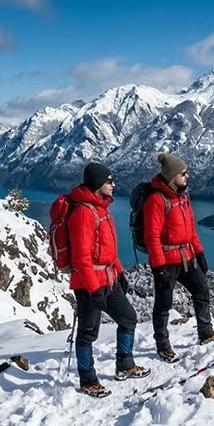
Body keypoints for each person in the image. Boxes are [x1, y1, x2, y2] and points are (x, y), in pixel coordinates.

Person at [68, 162, 145, 397]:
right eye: (109, 181)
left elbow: (109, 252)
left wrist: (120, 271)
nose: (113, 184)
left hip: (108, 278)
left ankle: (124, 364)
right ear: (97, 184)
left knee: (128, 318)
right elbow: (81, 258)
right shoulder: (83, 213)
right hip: (89, 283)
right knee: (88, 332)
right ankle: (87, 379)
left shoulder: (102, 209)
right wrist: (93, 289)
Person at [141, 153, 214, 362]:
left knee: (201, 291)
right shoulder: (156, 201)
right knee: (164, 303)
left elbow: (190, 228)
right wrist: (158, 267)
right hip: (167, 261)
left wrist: (199, 251)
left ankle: (206, 333)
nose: (187, 176)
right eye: (183, 173)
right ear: (171, 176)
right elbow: (152, 236)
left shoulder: (183, 196)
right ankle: (163, 345)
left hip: (187, 255)